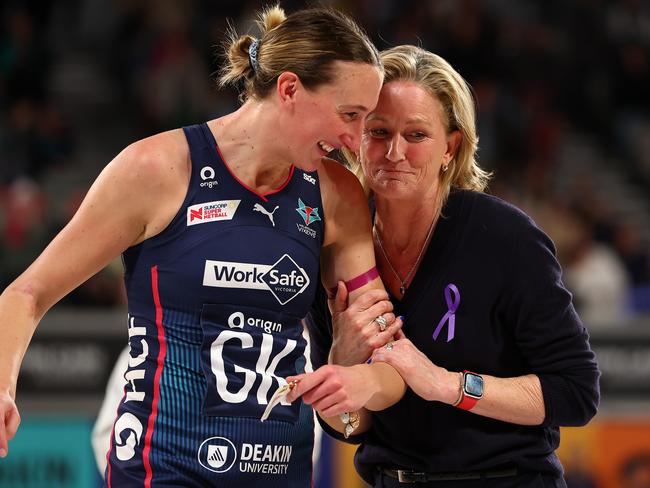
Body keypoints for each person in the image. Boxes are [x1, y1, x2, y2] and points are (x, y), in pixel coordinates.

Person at [0, 6, 406, 487]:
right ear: (290, 89)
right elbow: (26, 295)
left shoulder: (336, 194)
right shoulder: (157, 169)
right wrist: (2, 384)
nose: (355, 140)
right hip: (164, 465)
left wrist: (352, 372)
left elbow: (384, 356)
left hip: (281, 469)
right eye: (349, 115)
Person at [293, 45, 600, 487]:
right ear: (356, 138)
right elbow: (348, 428)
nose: (394, 152)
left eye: (416, 135)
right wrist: (343, 363)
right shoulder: (334, 247)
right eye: (378, 131)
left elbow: (576, 392)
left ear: (450, 148)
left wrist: (448, 385)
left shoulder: (505, 238)